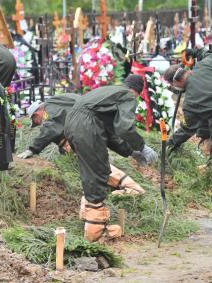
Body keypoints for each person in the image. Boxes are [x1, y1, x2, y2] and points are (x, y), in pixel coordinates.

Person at [64, 75, 158, 242]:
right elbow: (124, 128)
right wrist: (142, 146)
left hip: (71, 124)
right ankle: (95, 232)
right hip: (87, 126)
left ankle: (87, 217)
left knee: (90, 170)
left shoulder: (108, 93)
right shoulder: (128, 95)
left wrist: (131, 151)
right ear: (137, 92)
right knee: (99, 172)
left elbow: (111, 134)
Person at [18, 94, 146, 197]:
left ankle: (131, 187)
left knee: (95, 165)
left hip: (83, 134)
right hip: (88, 128)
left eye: (35, 121)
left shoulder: (48, 111)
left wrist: (32, 149)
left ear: (37, 113)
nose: (38, 123)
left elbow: (50, 130)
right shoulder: (58, 100)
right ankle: (108, 188)